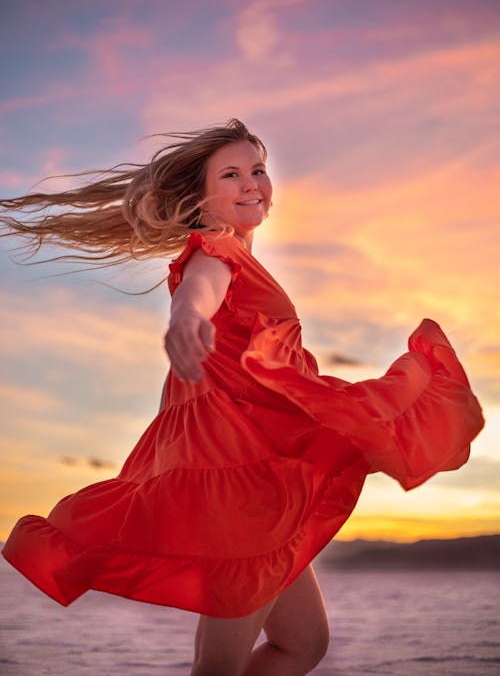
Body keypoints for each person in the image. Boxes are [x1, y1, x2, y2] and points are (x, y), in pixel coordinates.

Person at [0, 119, 484, 676]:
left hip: (259, 479)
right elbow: (201, 291)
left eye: (257, 170)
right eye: (231, 174)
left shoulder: (244, 259)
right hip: (241, 490)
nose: (253, 182)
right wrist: (185, 318)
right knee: (220, 666)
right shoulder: (217, 248)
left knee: (303, 644)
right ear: (201, 196)